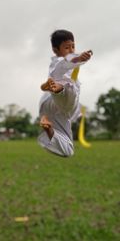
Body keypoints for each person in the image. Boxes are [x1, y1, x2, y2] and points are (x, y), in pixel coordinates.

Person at [38, 29, 92, 157]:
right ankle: (57, 88)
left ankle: (49, 130)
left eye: (73, 46)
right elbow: (65, 64)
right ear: (56, 50)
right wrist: (78, 58)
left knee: (68, 151)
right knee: (69, 88)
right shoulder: (59, 61)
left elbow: (73, 60)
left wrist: (82, 58)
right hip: (62, 98)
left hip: (57, 109)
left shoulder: (71, 59)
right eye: (67, 47)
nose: (72, 50)